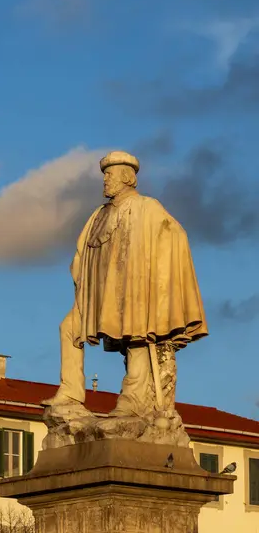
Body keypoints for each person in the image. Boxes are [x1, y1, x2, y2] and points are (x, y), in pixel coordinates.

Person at [42, 151, 208, 417]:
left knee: (137, 335)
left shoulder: (147, 207)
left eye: (109, 175)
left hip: (133, 290)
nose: (105, 181)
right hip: (98, 293)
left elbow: (175, 235)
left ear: (127, 177)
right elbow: (82, 252)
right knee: (69, 328)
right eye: (104, 175)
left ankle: (133, 398)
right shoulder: (98, 214)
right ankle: (70, 392)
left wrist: (155, 269)